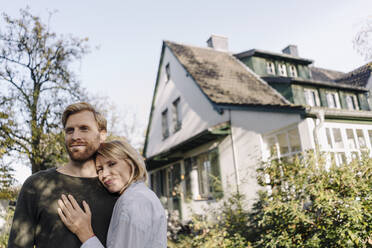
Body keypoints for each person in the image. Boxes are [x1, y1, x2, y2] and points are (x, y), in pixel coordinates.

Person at [7, 102, 118, 248]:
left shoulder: (115, 188)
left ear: (102, 135)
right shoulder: (36, 185)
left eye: (84, 128)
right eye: (69, 130)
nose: (75, 136)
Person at [57, 140, 167, 248]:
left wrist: (84, 232)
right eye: (99, 169)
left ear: (131, 162)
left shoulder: (132, 201)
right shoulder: (143, 195)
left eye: (112, 164)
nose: (104, 174)